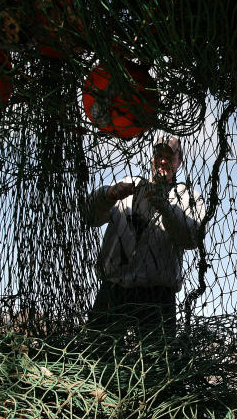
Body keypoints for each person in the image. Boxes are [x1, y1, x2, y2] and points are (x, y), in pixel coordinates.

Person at [87, 136, 204, 333]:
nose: (163, 161)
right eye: (159, 155)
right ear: (152, 158)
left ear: (179, 162)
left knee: (156, 362)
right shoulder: (128, 183)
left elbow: (192, 238)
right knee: (97, 355)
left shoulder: (187, 196)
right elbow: (89, 217)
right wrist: (108, 195)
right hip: (114, 288)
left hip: (159, 297)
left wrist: (165, 207)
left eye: (170, 156)